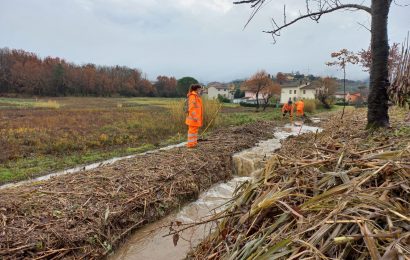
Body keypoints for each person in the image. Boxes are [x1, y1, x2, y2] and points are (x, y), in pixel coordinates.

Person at [185, 84, 203, 148]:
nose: (201, 90)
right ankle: (190, 144)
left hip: (196, 118)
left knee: (194, 131)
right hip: (193, 118)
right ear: (197, 89)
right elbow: (191, 108)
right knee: (192, 131)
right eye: (200, 89)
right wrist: (194, 116)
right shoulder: (193, 96)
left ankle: (194, 143)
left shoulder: (196, 96)